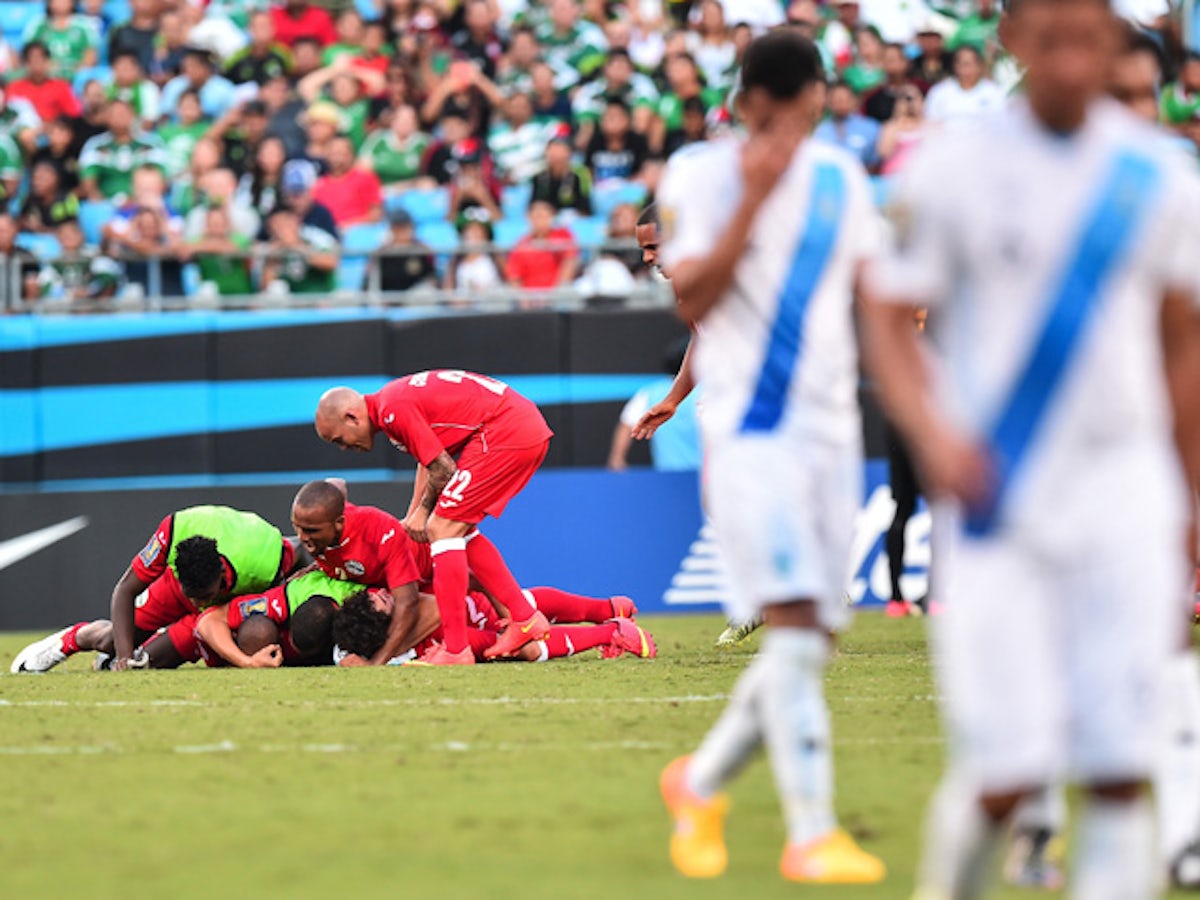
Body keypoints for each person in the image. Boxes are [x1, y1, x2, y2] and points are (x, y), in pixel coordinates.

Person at [862, 0, 1200, 896]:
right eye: (1048, 35)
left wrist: (1187, 502)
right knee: (1007, 773)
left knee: (1121, 769)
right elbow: (890, 315)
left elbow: (1183, 342)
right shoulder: (952, 169)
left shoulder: (1159, 177)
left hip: (1125, 490)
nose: (1070, 55)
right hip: (1000, 498)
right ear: (1010, 40)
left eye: (1087, 33)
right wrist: (933, 433)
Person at [655, 30, 886, 883]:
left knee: (808, 639)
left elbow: (876, 297)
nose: (797, 130)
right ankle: (812, 833)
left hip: (833, 434)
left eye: (810, 112)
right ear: (749, 107)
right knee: (791, 625)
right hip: (752, 434)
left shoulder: (841, 180)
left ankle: (700, 780)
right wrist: (750, 205)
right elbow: (693, 298)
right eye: (783, 115)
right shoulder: (698, 177)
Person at [313, 372, 555, 666]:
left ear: (352, 417)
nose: (342, 447)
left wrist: (424, 512)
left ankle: (456, 649)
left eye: (339, 439)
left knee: (442, 529)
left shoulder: (392, 411)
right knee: (459, 530)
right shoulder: (390, 405)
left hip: (506, 431)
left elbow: (443, 468)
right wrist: (413, 513)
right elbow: (426, 461)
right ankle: (525, 617)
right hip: (515, 425)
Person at [11, 505, 300, 673]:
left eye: (205, 596)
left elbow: (301, 553)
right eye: (194, 597)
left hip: (227, 605)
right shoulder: (175, 530)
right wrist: (124, 656)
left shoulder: (266, 559)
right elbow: (125, 590)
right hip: (174, 591)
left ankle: (132, 655)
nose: (199, 603)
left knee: (150, 664)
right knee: (115, 640)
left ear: (222, 574)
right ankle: (76, 638)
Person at [335, 583, 655, 665]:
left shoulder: (403, 582)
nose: (393, 594)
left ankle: (608, 614)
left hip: (482, 599)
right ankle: (612, 628)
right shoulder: (428, 642)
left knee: (525, 605)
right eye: (386, 601)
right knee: (523, 646)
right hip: (477, 624)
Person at [609, 337, 701, 472]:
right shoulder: (710, 391)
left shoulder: (650, 393)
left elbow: (626, 424)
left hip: (668, 477)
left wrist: (617, 459)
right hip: (706, 476)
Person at [261, 206, 339, 296]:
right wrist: (272, 259)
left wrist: (296, 248)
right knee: (276, 289)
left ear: (296, 222)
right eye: (276, 227)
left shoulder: (314, 240)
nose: (281, 231)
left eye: (285, 225)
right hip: (292, 302)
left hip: (320, 297)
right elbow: (266, 286)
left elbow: (331, 263)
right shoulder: (274, 251)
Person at [506, 198, 579, 292]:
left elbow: (570, 261)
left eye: (544, 216)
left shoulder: (563, 235)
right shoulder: (522, 244)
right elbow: (514, 275)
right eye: (536, 216)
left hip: (557, 295)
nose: (540, 221)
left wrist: (558, 292)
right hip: (530, 296)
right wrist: (523, 299)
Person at [311, 135, 384, 229]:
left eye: (342, 153)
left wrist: (347, 226)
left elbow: (375, 215)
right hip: (326, 236)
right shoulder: (318, 184)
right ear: (326, 155)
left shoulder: (365, 178)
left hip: (359, 233)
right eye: (333, 153)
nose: (337, 158)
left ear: (351, 155)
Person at [924, 43, 1006, 124]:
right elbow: (931, 122)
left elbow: (1000, 123)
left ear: (980, 66)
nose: (965, 70)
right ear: (955, 66)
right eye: (962, 64)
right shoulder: (939, 91)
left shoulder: (994, 92)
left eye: (969, 64)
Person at [7, 40, 80, 123]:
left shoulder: (61, 86)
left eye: (41, 58)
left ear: (48, 61)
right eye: (32, 59)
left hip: (54, 131)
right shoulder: (14, 88)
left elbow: (73, 114)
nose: (37, 63)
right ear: (25, 63)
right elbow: (8, 117)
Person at [814, 80, 880, 171]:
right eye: (836, 99)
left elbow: (876, 163)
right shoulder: (821, 130)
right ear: (829, 102)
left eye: (844, 99)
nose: (841, 103)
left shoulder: (871, 127)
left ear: (854, 100)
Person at [375, 207, 437, 295]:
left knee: (425, 293)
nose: (402, 231)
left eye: (405, 226)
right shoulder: (382, 252)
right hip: (388, 297)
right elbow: (374, 280)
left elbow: (430, 277)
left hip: (413, 298)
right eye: (398, 227)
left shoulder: (421, 250)